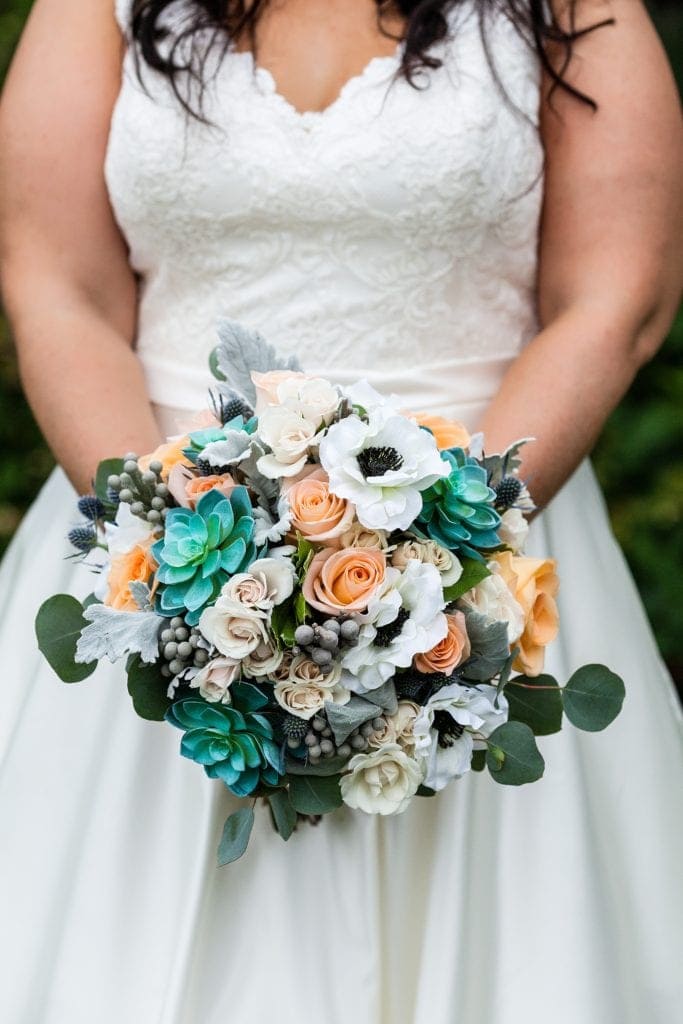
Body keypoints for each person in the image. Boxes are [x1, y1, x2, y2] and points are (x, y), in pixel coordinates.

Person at [0, 0, 681, 1020]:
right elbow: (58, 285)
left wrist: (448, 544)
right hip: (161, 550)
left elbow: (613, 296)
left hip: (488, 545)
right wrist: (178, 548)